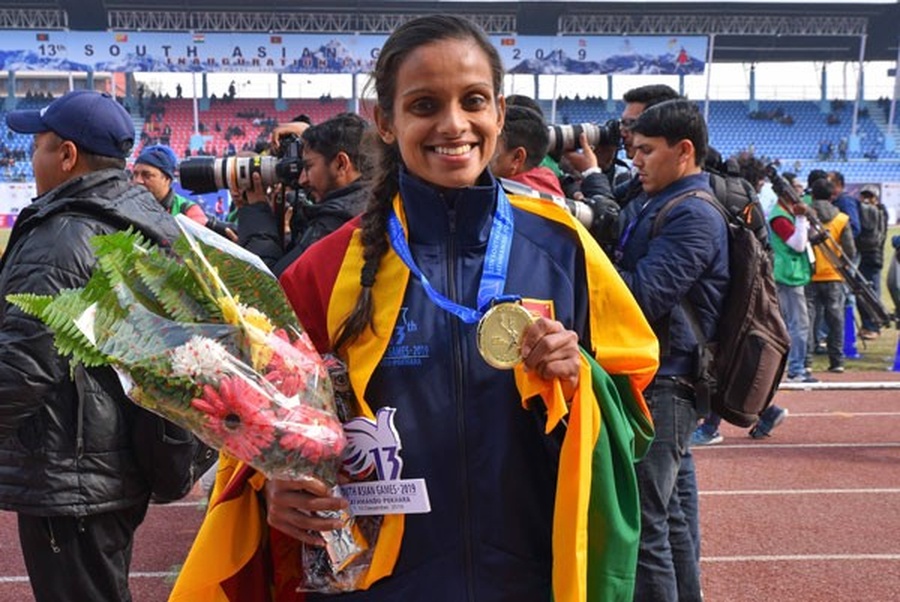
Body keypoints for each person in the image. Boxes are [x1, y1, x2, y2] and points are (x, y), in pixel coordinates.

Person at [170, 14, 659, 602]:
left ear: (498, 113)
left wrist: (580, 381)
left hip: (529, 577)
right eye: (425, 104)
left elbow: (633, 419)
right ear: (385, 120)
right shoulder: (325, 271)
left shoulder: (564, 249)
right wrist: (272, 489)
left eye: (473, 100)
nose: (454, 124)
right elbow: (263, 426)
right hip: (381, 583)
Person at [0, 90, 185, 601]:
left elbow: (23, 363)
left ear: (67, 156)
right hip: (112, 456)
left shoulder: (64, 234)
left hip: (70, 468)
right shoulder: (135, 216)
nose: (29, 158)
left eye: (37, 145)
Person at [616, 98, 729, 602]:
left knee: (646, 525)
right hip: (660, 378)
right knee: (672, 518)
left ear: (684, 151)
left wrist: (586, 261)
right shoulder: (664, 203)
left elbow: (642, 296)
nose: (635, 161)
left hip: (668, 383)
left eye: (645, 150)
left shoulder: (694, 215)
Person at [131, 143, 236, 241]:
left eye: (147, 175)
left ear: (167, 179)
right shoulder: (126, 206)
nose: (138, 181)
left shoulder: (188, 211)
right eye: (135, 174)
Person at [806, 177, 856, 374]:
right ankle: (837, 361)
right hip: (834, 274)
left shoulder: (806, 215)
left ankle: (806, 360)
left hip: (809, 274)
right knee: (835, 319)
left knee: (808, 320)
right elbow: (850, 250)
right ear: (832, 195)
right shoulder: (842, 218)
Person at [490, 104, 566, 196]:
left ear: (517, 158)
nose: (481, 153)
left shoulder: (506, 202)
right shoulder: (547, 182)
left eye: (491, 146)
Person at [856, 184, 888, 339]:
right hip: (866, 257)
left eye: (870, 196)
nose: (866, 200)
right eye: (864, 196)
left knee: (871, 293)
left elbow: (874, 238)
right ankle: (868, 325)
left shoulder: (879, 212)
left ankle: (873, 326)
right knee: (862, 292)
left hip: (873, 258)